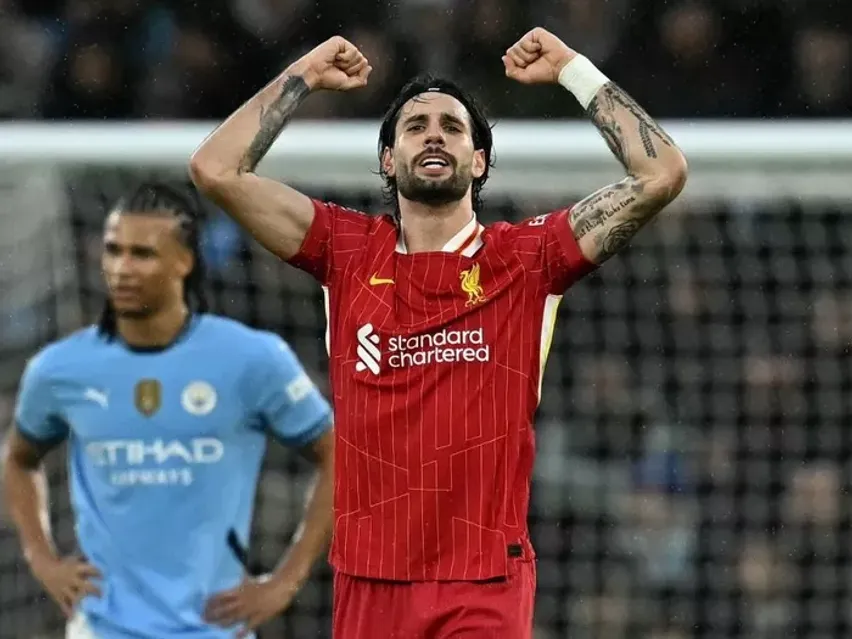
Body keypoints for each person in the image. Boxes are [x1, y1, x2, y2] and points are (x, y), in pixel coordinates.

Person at [190, 27, 688, 639]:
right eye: (415, 126)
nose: (433, 134)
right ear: (388, 159)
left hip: (483, 582)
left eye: (453, 127)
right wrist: (305, 75)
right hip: (369, 579)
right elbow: (215, 169)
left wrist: (571, 69)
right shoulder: (346, 251)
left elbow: (662, 172)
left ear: (478, 161)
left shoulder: (526, 258)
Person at [1, 182, 334, 639]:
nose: (122, 268)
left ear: (184, 261)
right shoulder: (60, 369)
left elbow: (338, 453)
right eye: (113, 251)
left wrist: (286, 580)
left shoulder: (251, 359)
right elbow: (19, 459)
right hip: (103, 628)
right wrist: (41, 558)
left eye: (142, 254)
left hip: (215, 628)